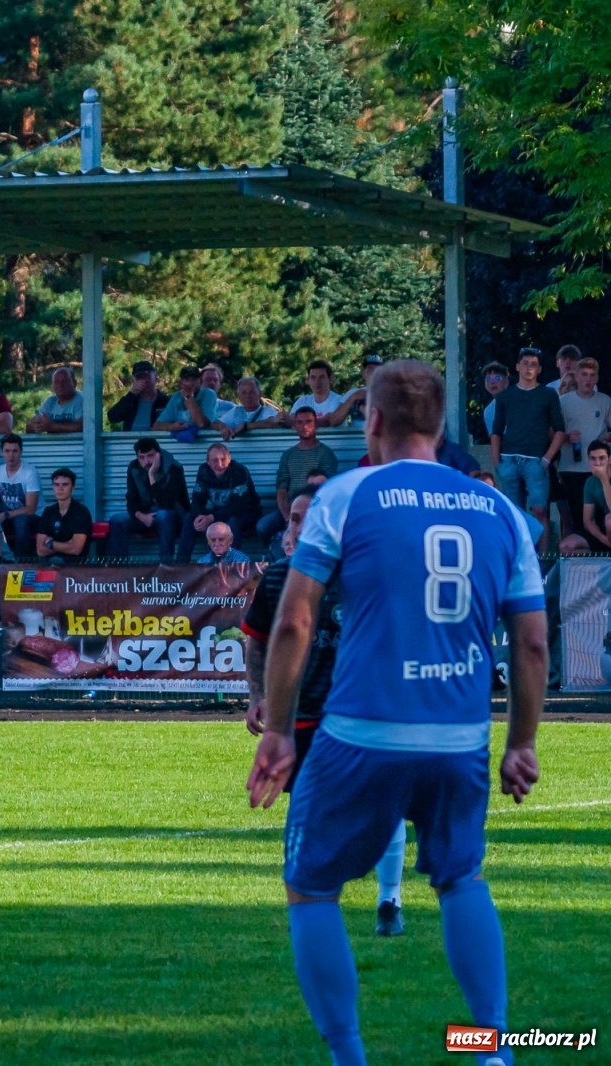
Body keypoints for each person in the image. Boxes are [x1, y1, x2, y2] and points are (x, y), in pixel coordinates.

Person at [246, 358, 547, 1066]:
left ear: (372, 422)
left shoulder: (347, 495)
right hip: (460, 739)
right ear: (442, 428)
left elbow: (291, 624)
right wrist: (522, 743)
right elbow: (532, 641)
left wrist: (282, 733)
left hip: (360, 734)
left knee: (310, 887)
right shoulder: (499, 510)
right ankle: (492, 1050)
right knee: (461, 879)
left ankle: (351, 1059)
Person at [243, 483, 408, 938]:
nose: (299, 526)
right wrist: (258, 695)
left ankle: (389, 899)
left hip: (361, 711)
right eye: (294, 518)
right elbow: (256, 642)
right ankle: (310, 904)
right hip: (301, 717)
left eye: (308, 516)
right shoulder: (278, 577)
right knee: (308, 809)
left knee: (383, 802)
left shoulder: (365, 572)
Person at [490, 346, 566, 532]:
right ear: (517, 367)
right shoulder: (505, 397)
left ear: (539, 369)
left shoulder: (548, 394)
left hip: (536, 462)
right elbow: (496, 431)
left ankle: (543, 560)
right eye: (525, 364)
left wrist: (547, 458)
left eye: (534, 364)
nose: (529, 368)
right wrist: (496, 462)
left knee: (540, 510)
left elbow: (560, 430)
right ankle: (519, 558)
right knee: (514, 514)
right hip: (508, 460)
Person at [256, 409, 338, 553]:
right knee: (263, 526)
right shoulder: (288, 455)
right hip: (288, 509)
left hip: (312, 509)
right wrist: (287, 516)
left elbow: (327, 490)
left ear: (315, 424)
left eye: (308, 421)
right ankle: (274, 560)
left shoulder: (326, 454)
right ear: (294, 425)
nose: (304, 426)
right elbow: (281, 490)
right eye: (299, 422)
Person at [105, 437, 189, 562]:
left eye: (150, 456)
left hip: (173, 517)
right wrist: (140, 516)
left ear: (158, 454)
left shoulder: (174, 467)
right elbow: (131, 499)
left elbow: (166, 503)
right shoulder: (134, 467)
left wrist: (152, 475)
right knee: (116, 520)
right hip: (145, 516)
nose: (146, 461)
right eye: (142, 457)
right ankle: (120, 568)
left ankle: (166, 567)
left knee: (163, 516)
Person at [557, 356, 610, 540]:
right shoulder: (563, 401)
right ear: (577, 377)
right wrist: (566, 436)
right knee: (577, 517)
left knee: (602, 515)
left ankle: (602, 551)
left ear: (596, 379)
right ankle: (581, 557)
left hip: (598, 467)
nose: (587, 379)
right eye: (584, 374)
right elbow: (553, 433)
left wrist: (605, 440)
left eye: (592, 375)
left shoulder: (605, 401)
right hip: (571, 467)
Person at [181, 442, 260, 561]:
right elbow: (197, 500)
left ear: (229, 459)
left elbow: (240, 506)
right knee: (190, 518)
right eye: (214, 460)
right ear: (207, 462)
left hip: (246, 513)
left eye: (223, 459)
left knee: (233, 522)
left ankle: (231, 565)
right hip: (219, 513)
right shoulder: (203, 470)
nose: (219, 464)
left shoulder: (239, 471)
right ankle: (180, 566)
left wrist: (211, 518)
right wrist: (200, 517)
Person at [0, 433, 39, 557]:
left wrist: (5, 515)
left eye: (15, 451)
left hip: (32, 518)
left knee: (20, 521)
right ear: (2, 452)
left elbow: (30, 509)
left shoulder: (29, 472)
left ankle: (20, 562)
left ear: (21, 451)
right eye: (7, 451)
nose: (11, 455)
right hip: (7, 517)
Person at [36, 467, 92, 565]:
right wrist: (67, 545)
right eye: (56, 484)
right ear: (52, 487)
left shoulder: (81, 512)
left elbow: (76, 549)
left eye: (65, 485)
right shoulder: (48, 512)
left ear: (73, 487)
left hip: (76, 568)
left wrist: (50, 543)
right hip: (49, 566)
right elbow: (40, 550)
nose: (60, 488)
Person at [152, 366, 217, 435]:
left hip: (206, 441)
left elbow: (201, 424)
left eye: (194, 379)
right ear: (181, 383)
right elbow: (156, 426)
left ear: (200, 381)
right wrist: (172, 427)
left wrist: (189, 397)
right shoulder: (177, 396)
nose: (191, 383)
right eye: (187, 379)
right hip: (181, 443)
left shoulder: (209, 394)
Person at [107, 361, 169, 430]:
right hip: (131, 440)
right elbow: (112, 417)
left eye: (146, 376)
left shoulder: (166, 401)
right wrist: (131, 394)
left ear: (155, 378)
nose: (144, 380)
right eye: (139, 377)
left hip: (156, 440)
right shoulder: (131, 402)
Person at [27, 367, 82, 433]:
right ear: (52, 385)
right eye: (57, 382)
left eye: (65, 381)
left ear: (74, 383)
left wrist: (53, 426)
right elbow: (29, 428)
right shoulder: (49, 402)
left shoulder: (81, 400)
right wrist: (34, 426)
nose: (61, 384)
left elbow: (81, 426)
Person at [333, 355, 383, 427]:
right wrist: (353, 398)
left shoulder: (391, 394)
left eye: (378, 370)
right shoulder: (353, 393)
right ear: (364, 373)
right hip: (357, 437)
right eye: (370, 369)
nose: (373, 373)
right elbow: (334, 421)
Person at [580, 440, 611, 552]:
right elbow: (588, 521)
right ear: (588, 460)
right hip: (605, 535)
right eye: (593, 459)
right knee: (566, 546)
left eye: (602, 458)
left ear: (609, 459)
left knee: (609, 520)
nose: (597, 463)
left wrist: (604, 479)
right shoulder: (590, 482)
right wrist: (604, 539)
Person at [480, 361, 509, 437]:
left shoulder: (519, 400)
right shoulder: (488, 411)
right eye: (488, 379)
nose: (492, 382)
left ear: (506, 382)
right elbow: (495, 438)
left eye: (497, 378)